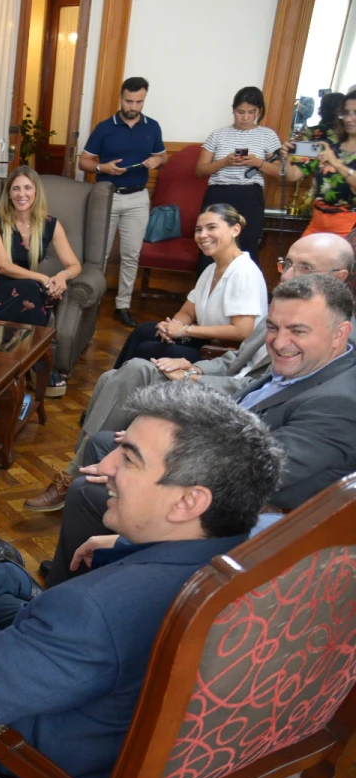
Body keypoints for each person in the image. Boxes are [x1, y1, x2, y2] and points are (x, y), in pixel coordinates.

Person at [0, 381, 282, 778]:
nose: (103, 466)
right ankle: (14, 585)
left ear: (189, 502)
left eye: (129, 459)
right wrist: (129, 544)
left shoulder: (94, 608)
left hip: (8, 756)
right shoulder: (259, 546)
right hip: (77, 685)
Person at [46, 274, 356, 587]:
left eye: (297, 331)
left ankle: (65, 596)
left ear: (339, 333)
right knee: (103, 445)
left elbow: (256, 478)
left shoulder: (339, 402)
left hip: (240, 514)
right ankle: (86, 566)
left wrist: (153, 462)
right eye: (273, 327)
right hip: (219, 469)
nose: (277, 342)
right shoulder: (310, 365)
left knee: (87, 492)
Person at [24, 232, 355, 514]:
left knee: (137, 370)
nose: (288, 274)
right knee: (115, 377)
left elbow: (268, 391)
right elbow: (237, 359)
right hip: (229, 389)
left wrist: (194, 378)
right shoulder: (283, 307)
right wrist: (195, 366)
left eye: (305, 268)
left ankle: (75, 479)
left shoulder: (335, 335)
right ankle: (91, 477)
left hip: (233, 404)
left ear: (338, 277)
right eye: (288, 264)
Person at [0, 165, 82, 396]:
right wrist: (43, 278)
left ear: (36, 192)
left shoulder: (50, 224)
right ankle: (37, 362)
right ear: (9, 194)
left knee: (32, 290)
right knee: (34, 290)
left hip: (28, 285)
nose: (22, 194)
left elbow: (75, 266)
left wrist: (61, 276)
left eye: (27, 188)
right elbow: (3, 266)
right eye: (16, 189)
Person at [111, 204, 267, 367]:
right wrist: (170, 328)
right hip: (208, 341)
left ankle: (125, 387)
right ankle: (113, 383)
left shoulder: (243, 272)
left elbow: (242, 331)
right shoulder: (211, 269)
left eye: (211, 228)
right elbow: (187, 312)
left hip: (229, 355)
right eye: (198, 230)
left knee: (148, 349)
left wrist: (184, 331)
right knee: (143, 332)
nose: (203, 235)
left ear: (235, 230)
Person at [79, 77, 169, 328]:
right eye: (129, 101)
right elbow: (83, 161)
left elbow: (163, 155)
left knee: (131, 255)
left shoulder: (152, 126)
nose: (133, 106)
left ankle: (123, 306)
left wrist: (157, 161)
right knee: (100, 254)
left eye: (139, 101)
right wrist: (102, 166)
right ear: (120, 98)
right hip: (107, 195)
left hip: (138, 197)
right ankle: (92, 303)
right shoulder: (105, 127)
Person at [193, 87, 284, 275]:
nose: (245, 117)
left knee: (247, 246)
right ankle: (204, 297)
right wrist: (225, 161)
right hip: (218, 194)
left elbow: (279, 171)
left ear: (259, 111)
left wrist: (257, 162)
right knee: (210, 244)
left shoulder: (267, 135)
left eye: (252, 112)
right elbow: (200, 170)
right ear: (233, 110)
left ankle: (242, 295)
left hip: (250, 195)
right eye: (240, 112)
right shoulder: (218, 134)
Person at [283, 90, 356, 239]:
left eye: (355, 113)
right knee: (299, 259)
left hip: (348, 226)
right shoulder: (329, 147)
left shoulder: (330, 154)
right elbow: (292, 175)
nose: (350, 118)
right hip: (318, 222)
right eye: (346, 113)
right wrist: (285, 158)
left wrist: (336, 163)